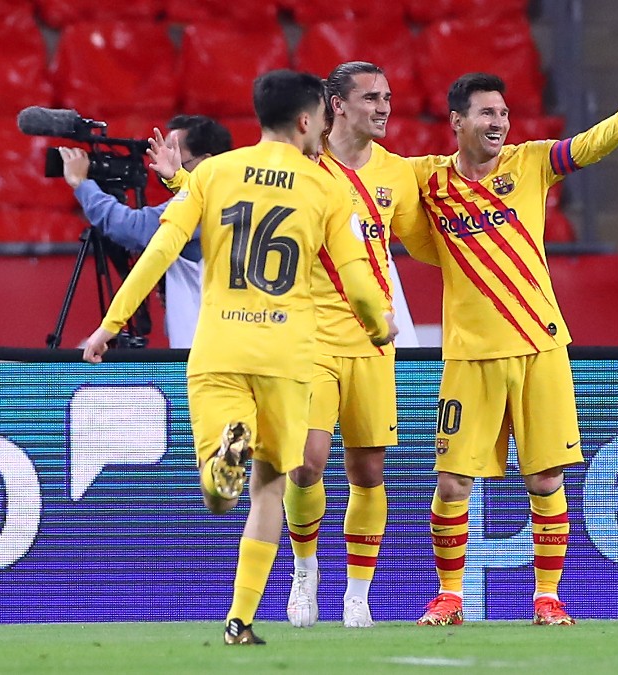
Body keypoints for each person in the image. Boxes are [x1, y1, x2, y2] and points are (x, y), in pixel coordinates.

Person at [81, 69, 398, 645]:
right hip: (289, 356)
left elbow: (160, 250)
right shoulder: (327, 189)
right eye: (323, 117)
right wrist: (379, 325)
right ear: (306, 120)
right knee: (271, 487)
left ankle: (218, 470)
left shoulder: (213, 174)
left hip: (219, 347)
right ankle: (240, 619)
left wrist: (110, 324)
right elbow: (355, 278)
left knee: (220, 494)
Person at [405, 48, 618, 627]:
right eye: (485, 114)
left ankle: (548, 598)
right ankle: (449, 596)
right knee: (453, 480)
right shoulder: (425, 178)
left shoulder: (531, 162)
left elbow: (589, 145)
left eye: (503, 113)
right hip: (470, 356)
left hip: (540, 347)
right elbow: (365, 175)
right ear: (457, 120)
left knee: (546, 478)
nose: (498, 123)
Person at [283, 60, 439, 630]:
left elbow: (427, 244)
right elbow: (240, 182)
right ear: (338, 104)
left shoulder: (399, 175)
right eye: (371, 97)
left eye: (389, 97)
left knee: (368, 472)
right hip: (309, 337)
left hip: (374, 342)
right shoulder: (301, 161)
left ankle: (357, 592)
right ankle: (304, 572)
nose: (384, 108)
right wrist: (181, 179)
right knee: (306, 463)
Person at [59, 115, 233, 347]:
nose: (165, 162)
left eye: (175, 155)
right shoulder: (239, 200)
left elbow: (132, 228)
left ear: (206, 163)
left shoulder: (199, 206)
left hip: (202, 357)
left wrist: (82, 183)